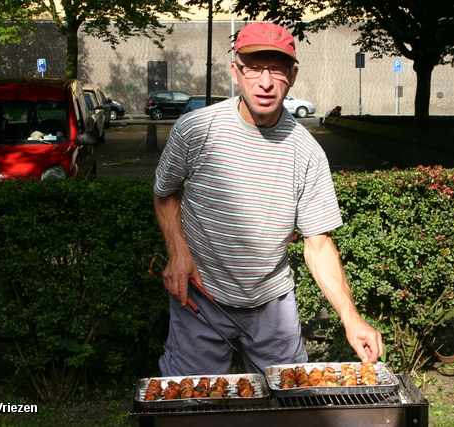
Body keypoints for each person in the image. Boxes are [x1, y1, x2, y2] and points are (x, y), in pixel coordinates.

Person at [154, 22, 383, 376]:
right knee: (191, 405)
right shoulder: (194, 130)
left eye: (276, 68)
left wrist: (351, 318)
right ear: (235, 72)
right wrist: (177, 253)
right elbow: (165, 193)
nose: (265, 82)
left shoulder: (307, 152)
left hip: (271, 306)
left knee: (288, 406)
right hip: (200, 296)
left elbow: (318, 244)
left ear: (291, 75)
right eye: (254, 68)